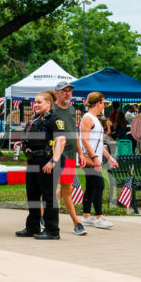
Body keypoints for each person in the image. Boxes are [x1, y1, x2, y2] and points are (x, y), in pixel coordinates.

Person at [15, 90, 65, 240]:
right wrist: (22, 143)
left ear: (48, 103)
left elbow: (61, 141)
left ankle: (52, 230)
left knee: (48, 197)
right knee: (33, 195)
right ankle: (32, 227)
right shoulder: (35, 120)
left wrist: (53, 161)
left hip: (46, 162)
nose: (35, 105)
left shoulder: (54, 120)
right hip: (33, 161)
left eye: (39, 102)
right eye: (35, 102)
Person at [79, 91, 118, 229]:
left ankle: (86, 216)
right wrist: (95, 158)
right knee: (99, 185)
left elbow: (99, 143)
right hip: (88, 158)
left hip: (94, 157)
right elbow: (84, 140)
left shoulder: (96, 119)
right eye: (104, 103)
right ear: (98, 103)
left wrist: (109, 158)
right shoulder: (88, 118)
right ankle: (99, 218)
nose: (105, 105)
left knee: (91, 186)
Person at [52, 81, 87, 236]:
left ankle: (41, 215)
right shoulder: (52, 110)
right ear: (57, 93)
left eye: (69, 91)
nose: (67, 93)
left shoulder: (72, 109)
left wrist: (81, 152)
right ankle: (77, 223)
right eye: (64, 91)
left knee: (67, 189)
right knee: (66, 190)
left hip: (72, 156)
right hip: (58, 156)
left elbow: (75, 133)